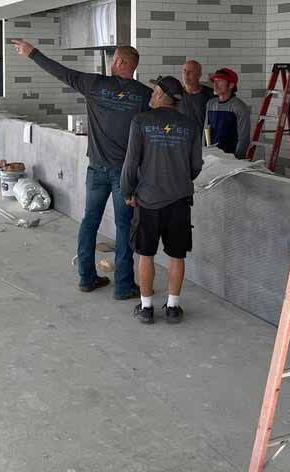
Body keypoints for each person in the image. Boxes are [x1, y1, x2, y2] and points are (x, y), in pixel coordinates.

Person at [11, 39, 151, 299]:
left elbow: (60, 71)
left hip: (97, 168)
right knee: (124, 227)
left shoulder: (95, 85)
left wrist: (33, 53)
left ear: (120, 62)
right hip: (126, 172)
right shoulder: (144, 95)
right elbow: (149, 132)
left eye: (114, 59)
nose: (112, 63)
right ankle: (123, 286)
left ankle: (86, 278)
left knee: (90, 221)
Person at [121, 75, 203, 324]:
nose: (151, 95)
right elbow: (196, 166)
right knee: (176, 255)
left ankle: (146, 308)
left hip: (147, 201)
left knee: (145, 254)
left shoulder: (141, 121)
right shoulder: (190, 126)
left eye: (153, 91)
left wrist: (128, 192)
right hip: (179, 201)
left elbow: (131, 162)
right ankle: (173, 307)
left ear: (159, 94)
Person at [205, 67, 251, 158]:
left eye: (220, 81)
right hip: (213, 156)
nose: (215, 85)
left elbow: (243, 138)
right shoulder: (210, 104)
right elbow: (205, 130)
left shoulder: (239, 107)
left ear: (231, 85)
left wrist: (237, 159)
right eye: (214, 81)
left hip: (231, 157)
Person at [179, 59, 214, 132]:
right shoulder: (176, 95)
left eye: (190, 71)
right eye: (184, 71)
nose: (186, 74)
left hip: (205, 141)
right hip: (183, 140)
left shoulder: (211, 95)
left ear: (199, 75)